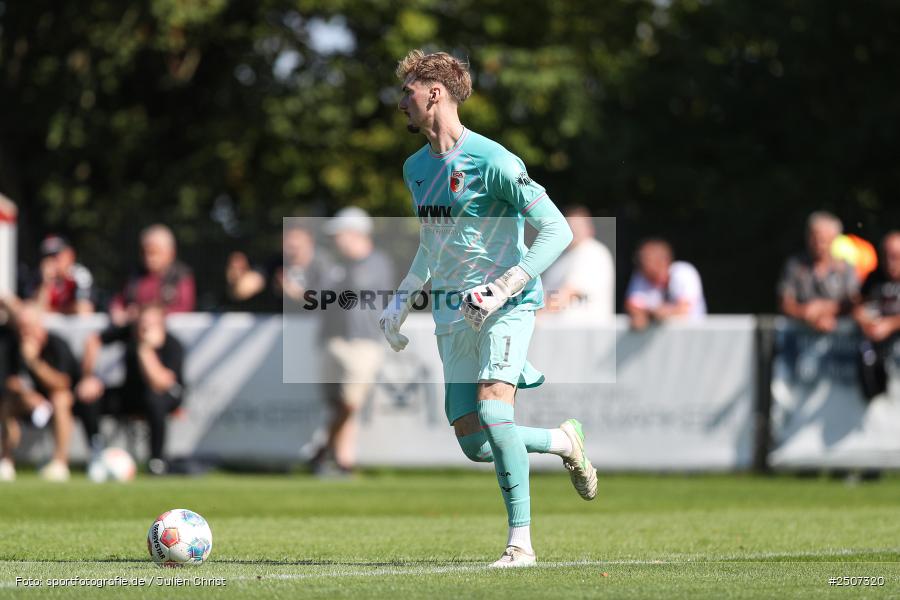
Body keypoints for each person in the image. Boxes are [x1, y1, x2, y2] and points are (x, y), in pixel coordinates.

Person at [380, 50, 597, 568]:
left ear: (436, 93)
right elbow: (433, 246)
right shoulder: (415, 169)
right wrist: (402, 296)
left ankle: (520, 544)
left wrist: (505, 286)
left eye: (407, 90)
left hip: (508, 305)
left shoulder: (495, 160)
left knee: (497, 412)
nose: (400, 102)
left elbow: (558, 230)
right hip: (454, 314)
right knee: (475, 442)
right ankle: (564, 440)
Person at [308, 207, 393, 475]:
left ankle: (322, 450)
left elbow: (356, 288)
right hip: (333, 340)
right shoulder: (336, 266)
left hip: (363, 343)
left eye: (340, 234)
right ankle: (342, 461)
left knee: (349, 403)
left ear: (356, 234)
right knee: (338, 404)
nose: (336, 240)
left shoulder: (376, 263)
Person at [75, 303, 185, 475]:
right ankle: (97, 454)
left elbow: (160, 383)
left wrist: (145, 349)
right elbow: (93, 340)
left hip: (164, 396)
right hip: (132, 393)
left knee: (154, 400)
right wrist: (89, 377)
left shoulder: (173, 345)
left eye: (150, 324)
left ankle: (156, 461)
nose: (145, 327)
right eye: (142, 323)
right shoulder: (130, 332)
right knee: (89, 397)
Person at [0, 301, 78, 482]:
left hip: (52, 403)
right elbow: (6, 381)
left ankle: (60, 463)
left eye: (27, 327)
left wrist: (34, 362)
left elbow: (63, 383)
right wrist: (25, 394)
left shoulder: (56, 344)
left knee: (62, 399)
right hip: (22, 402)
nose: (23, 333)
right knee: (5, 404)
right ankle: (6, 460)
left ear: (39, 325)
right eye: (20, 328)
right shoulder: (9, 345)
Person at [778, 212, 858, 333]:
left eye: (823, 240)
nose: (818, 244)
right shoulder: (795, 265)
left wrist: (823, 309)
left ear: (834, 239)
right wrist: (805, 313)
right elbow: (785, 303)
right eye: (814, 238)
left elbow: (855, 302)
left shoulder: (846, 268)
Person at [226, 222, 330, 312]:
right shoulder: (276, 263)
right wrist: (236, 280)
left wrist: (295, 294)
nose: (291, 248)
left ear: (310, 242)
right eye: (287, 241)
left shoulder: (325, 264)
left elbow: (329, 302)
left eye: (296, 243)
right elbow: (247, 287)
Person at [109, 225, 195, 324]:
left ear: (171, 253)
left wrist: (145, 314)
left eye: (154, 253)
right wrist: (117, 310)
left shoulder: (181, 276)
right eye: (144, 252)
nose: (148, 258)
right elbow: (119, 300)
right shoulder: (134, 275)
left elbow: (184, 308)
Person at [540, 205, 614, 318]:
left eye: (578, 226)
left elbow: (569, 293)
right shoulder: (560, 257)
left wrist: (537, 314)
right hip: (557, 331)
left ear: (590, 229)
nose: (574, 230)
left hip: (585, 332)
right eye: (570, 225)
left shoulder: (593, 252)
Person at [853, 231, 900, 399]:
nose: (890, 263)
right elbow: (857, 304)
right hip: (880, 356)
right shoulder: (875, 277)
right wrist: (864, 320)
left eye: (895, 257)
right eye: (886, 257)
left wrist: (890, 325)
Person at [624, 238, 706, 330]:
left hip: (691, 336)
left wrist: (652, 313)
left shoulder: (684, 272)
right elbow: (632, 306)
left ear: (663, 261)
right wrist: (653, 313)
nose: (640, 263)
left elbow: (683, 310)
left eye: (647, 259)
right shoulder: (641, 276)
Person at [21, 235, 94, 314]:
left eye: (56, 256)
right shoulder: (38, 276)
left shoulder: (79, 275)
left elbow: (83, 308)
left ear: (69, 255)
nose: (52, 261)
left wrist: (51, 310)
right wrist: (46, 283)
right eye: (48, 257)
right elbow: (34, 310)